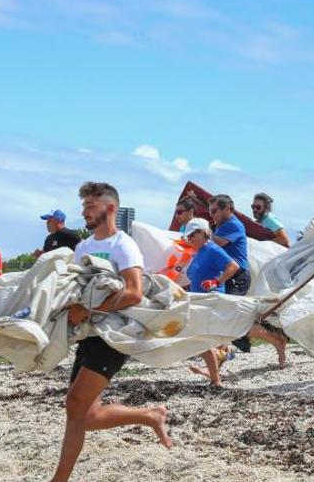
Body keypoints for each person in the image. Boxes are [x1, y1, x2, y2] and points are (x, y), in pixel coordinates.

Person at [51, 182, 171, 482]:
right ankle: (149, 415)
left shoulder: (123, 245)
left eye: (90, 205)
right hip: (89, 334)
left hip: (115, 336)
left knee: (75, 404)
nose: (84, 211)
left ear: (110, 208)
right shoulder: (83, 247)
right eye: (84, 206)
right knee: (85, 414)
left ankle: (59, 480)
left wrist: (88, 311)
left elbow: (133, 292)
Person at [210, 194, 284, 357]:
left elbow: (219, 243)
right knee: (225, 314)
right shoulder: (221, 226)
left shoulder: (233, 225)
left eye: (215, 210)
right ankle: (224, 349)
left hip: (238, 276)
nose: (212, 214)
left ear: (227, 209)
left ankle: (275, 338)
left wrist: (204, 234)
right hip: (228, 275)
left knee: (233, 315)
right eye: (210, 211)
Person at [180, 218, 241, 386]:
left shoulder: (212, 249)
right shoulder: (199, 252)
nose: (189, 238)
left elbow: (233, 266)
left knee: (202, 339)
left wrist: (217, 281)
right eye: (188, 236)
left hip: (210, 301)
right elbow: (196, 278)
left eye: (192, 234)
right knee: (202, 340)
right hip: (200, 301)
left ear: (203, 232)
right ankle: (217, 369)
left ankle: (216, 379)